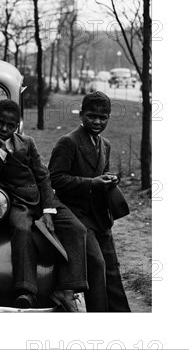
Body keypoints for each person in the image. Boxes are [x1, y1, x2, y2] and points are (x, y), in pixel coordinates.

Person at [0, 99, 87, 311]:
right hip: (17, 202)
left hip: (41, 199)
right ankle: (26, 290)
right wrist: (1, 152)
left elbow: (43, 176)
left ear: (17, 126)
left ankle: (67, 288)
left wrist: (48, 209)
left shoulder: (27, 142)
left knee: (77, 229)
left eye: (10, 125)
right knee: (21, 229)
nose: (4, 129)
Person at [48, 91, 131, 312]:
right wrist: (91, 183)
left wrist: (109, 179)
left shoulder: (105, 145)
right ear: (81, 115)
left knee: (111, 268)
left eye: (103, 117)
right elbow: (54, 179)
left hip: (99, 215)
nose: (97, 121)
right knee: (96, 264)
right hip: (75, 215)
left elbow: (100, 173)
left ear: (108, 118)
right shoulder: (68, 142)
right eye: (92, 116)